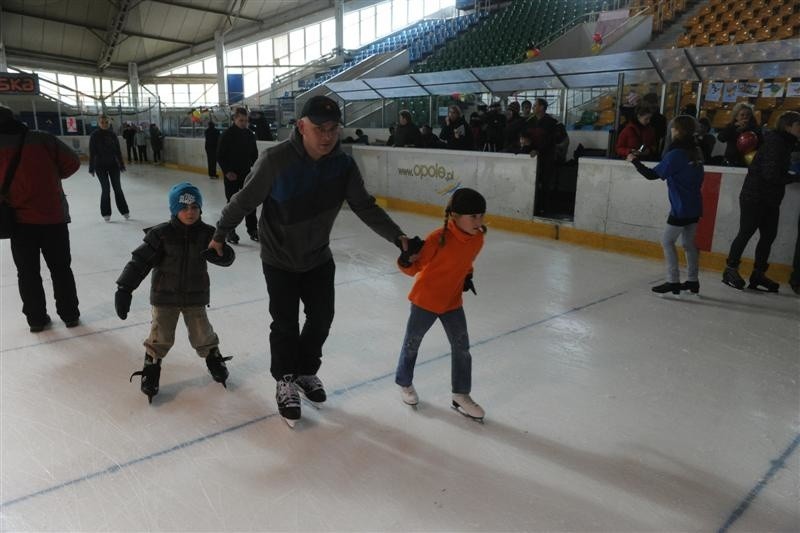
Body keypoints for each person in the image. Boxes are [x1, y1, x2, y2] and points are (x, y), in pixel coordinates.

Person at [208, 95, 411, 427]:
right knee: (285, 323)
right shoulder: (275, 161)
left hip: (318, 256)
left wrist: (398, 237)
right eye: (319, 128)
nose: (327, 136)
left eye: (333, 128)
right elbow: (243, 200)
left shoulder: (342, 165)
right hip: (279, 258)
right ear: (302, 126)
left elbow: (365, 206)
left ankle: (305, 372)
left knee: (322, 319)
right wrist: (219, 233)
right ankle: (285, 379)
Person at [116, 182, 233, 403]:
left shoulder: (208, 234)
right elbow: (140, 261)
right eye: (184, 208)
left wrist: (224, 255)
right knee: (160, 336)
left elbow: (226, 254)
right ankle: (151, 369)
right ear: (174, 209)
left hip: (195, 296)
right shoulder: (160, 235)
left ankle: (213, 358)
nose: (190, 212)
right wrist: (124, 288)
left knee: (202, 333)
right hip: (164, 297)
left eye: (195, 207)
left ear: (200, 209)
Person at [394, 187, 487, 421]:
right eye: (473, 216)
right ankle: (405, 383)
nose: (479, 221)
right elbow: (414, 268)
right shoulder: (439, 238)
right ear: (455, 216)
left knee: (462, 349)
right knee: (412, 344)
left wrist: (467, 275)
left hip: (452, 302)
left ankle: (461, 394)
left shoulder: (478, 239)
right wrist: (406, 258)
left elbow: (467, 261)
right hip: (425, 300)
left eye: (481, 215)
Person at [0, 104, 81, 332]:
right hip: (53, 217)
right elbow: (72, 162)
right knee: (61, 269)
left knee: (27, 272)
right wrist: (51, 176)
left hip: (18, 222)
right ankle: (70, 315)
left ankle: (36, 319)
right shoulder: (42, 139)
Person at [722, 111, 800, 292]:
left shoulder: (786, 143)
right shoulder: (776, 143)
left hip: (770, 198)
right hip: (755, 196)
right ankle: (730, 269)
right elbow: (770, 174)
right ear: (788, 126)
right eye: (798, 125)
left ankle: (758, 273)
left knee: (768, 236)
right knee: (746, 232)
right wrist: (795, 178)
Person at [627, 115, 705, 295]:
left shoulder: (676, 154)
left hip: (680, 207)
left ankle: (673, 280)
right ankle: (693, 281)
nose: (671, 130)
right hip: (694, 205)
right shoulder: (696, 151)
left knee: (667, 241)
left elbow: (652, 175)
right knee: (688, 244)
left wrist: (634, 161)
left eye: (673, 128)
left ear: (678, 131)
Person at [217, 107, 259, 243]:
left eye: (246, 121)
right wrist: (228, 171)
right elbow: (220, 155)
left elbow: (254, 153)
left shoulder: (249, 134)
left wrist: (254, 167)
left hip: (247, 174)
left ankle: (253, 229)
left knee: (250, 202)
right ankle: (229, 231)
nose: (244, 123)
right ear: (234, 119)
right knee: (233, 204)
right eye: (241, 120)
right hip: (232, 176)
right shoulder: (227, 135)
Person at [89, 114, 129, 222]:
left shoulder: (112, 135)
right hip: (100, 167)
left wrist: (121, 164)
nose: (104, 124)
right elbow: (92, 152)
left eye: (106, 122)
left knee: (118, 188)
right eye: (102, 122)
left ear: (109, 123)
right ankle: (106, 213)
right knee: (106, 189)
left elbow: (117, 151)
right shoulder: (94, 135)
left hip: (113, 166)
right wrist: (91, 167)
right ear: (99, 123)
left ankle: (124, 211)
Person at [716, 102, 761, 167]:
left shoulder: (755, 128)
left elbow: (761, 142)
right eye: (742, 115)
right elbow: (721, 138)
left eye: (748, 115)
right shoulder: (731, 126)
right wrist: (734, 127)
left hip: (749, 162)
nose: (745, 117)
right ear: (736, 117)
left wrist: (748, 129)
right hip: (731, 161)